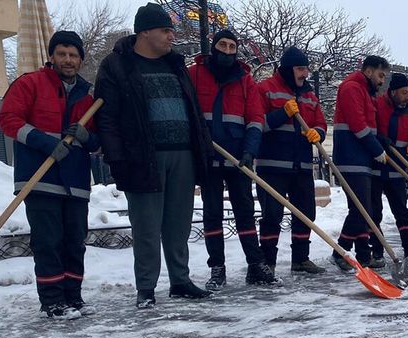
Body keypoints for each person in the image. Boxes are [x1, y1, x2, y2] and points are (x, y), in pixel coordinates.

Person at [95, 2, 212, 308]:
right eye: (165, 30)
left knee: (179, 223)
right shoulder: (117, 65)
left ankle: (180, 280)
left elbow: (193, 110)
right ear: (144, 32)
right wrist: (117, 160)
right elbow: (107, 118)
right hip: (143, 156)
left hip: (183, 154)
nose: (171, 37)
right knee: (147, 226)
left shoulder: (175, 65)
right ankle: (146, 287)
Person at [0, 31, 100, 319]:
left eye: (73, 55)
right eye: (62, 54)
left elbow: (97, 141)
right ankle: (53, 302)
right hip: (40, 179)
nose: (68, 60)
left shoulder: (87, 97)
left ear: (80, 59)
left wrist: (86, 136)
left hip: (76, 182)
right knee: (48, 242)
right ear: (52, 56)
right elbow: (8, 120)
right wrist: (45, 143)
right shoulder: (30, 84)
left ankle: (74, 297)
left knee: (74, 242)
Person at [189, 30, 275, 290]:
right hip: (208, 156)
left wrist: (249, 151)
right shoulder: (194, 75)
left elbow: (255, 119)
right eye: (222, 45)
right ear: (213, 47)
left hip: (237, 158)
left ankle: (255, 263)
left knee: (245, 213)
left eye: (231, 46)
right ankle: (217, 267)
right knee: (212, 213)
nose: (227, 51)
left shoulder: (244, 80)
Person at [255, 46, 327, 275]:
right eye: (300, 69)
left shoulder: (310, 96)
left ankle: (301, 258)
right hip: (273, 166)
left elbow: (321, 123)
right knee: (272, 215)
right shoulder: (265, 89)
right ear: (287, 69)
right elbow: (258, 125)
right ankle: (268, 260)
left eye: (306, 69)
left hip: (302, 165)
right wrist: (281, 114)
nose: (305, 73)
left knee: (306, 212)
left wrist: (318, 132)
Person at [331, 55, 389, 270]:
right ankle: (341, 251)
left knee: (364, 209)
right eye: (380, 75)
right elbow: (357, 125)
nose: (382, 81)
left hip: (362, 158)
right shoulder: (351, 88)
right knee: (360, 208)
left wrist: (380, 140)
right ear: (368, 71)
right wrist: (377, 150)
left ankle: (363, 255)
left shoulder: (366, 92)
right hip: (350, 157)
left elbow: (370, 125)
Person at [371, 73, 408, 266]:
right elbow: (370, 126)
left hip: (398, 167)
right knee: (375, 212)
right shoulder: (379, 105)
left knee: (402, 212)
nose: (407, 97)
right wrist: (379, 138)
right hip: (378, 164)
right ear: (394, 91)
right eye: (404, 93)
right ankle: (377, 252)